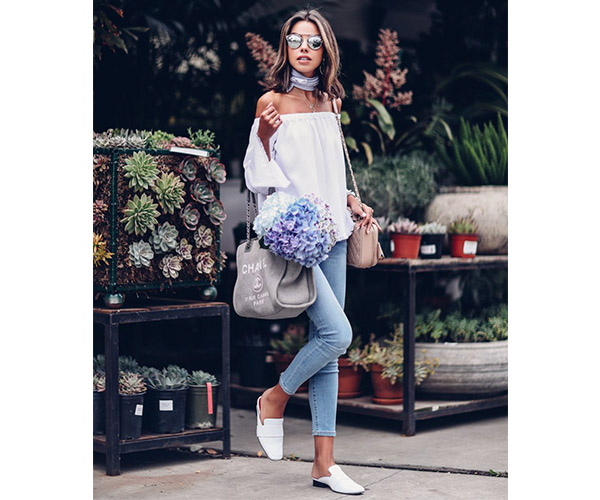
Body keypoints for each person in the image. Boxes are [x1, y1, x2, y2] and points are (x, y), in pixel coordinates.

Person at [242, 8, 380, 495]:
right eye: (296, 39)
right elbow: (259, 176)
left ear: (326, 50)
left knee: (328, 348)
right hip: (296, 237)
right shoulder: (270, 101)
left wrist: (349, 200)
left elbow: (327, 169)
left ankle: (324, 464)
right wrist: (263, 134)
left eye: (313, 41)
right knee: (337, 332)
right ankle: (274, 398)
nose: (304, 47)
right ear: (286, 47)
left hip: (336, 233)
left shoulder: (331, 99)